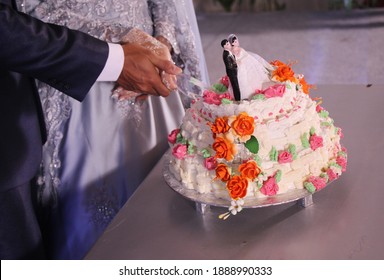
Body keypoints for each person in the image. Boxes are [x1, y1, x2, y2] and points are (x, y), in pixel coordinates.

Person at [21, 0, 209, 259]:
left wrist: (161, 44)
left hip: (153, 81)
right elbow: (26, 11)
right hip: (79, 80)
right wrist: (121, 41)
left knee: (167, 211)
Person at [228, 34, 273, 99]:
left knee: (253, 74)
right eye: (234, 42)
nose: (236, 43)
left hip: (246, 62)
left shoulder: (240, 49)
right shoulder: (232, 51)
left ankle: (255, 88)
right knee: (242, 79)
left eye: (236, 41)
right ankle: (245, 93)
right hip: (239, 67)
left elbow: (244, 54)